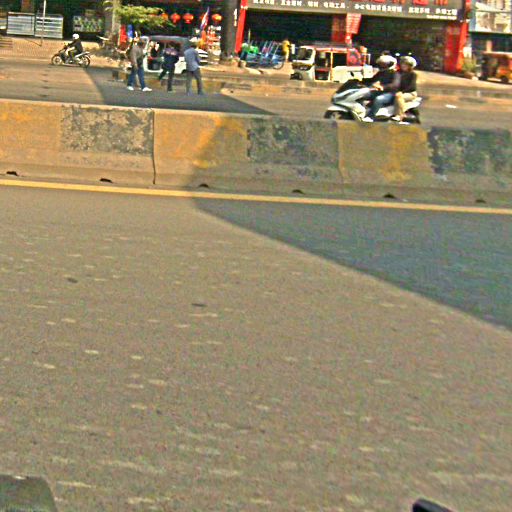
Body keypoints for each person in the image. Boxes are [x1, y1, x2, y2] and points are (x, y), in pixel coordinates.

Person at [362, 54, 400, 122]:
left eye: (384, 64)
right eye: (381, 64)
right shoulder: (381, 73)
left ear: (390, 64)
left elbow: (395, 85)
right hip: (380, 91)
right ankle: (361, 112)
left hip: (390, 93)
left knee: (379, 99)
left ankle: (370, 116)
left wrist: (383, 87)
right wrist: (359, 81)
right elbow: (372, 80)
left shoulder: (395, 73)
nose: (381, 65)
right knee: (363, 95)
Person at [392, 56, 418, 124]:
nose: (403, 65)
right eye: (403, 64)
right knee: (396, 96)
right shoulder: (398, 73)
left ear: (410, 66)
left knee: (398, 97)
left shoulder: (413, 74)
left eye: (406, 64)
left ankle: (399, 115)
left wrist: (402, 92)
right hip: (399, 92)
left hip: (410, 93)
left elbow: (412, 87)